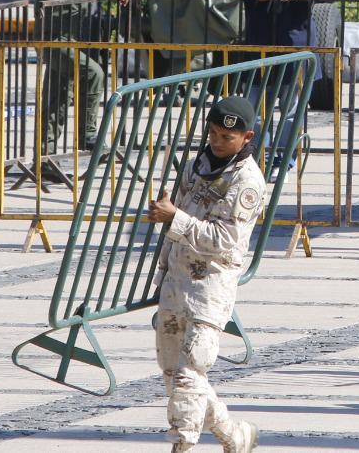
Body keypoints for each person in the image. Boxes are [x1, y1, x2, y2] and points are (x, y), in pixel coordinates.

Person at [147, 94, 266, 453]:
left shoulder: (247, 181)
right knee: (175, 376)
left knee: (190, 375)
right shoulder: (196, 166)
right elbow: (178, 216)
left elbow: (225, 240)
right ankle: (234, 434)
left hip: (208, 290)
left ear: (246, 137)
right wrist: (164, 217)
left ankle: (182, 444)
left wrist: (175, 218)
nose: (217, 141)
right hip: (175, 284)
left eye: (227, 137)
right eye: (213, 133)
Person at [35, 0, 132, 150]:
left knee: (56, 99)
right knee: (93, 73)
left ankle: (45, 155)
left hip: (71, 41)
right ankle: (87, 135)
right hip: (53, 40)